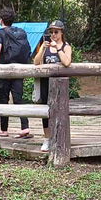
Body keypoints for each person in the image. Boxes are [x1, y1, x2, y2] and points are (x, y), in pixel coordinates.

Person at [0, 8, 32, 139]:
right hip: (19, 70)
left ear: (0, 20)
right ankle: (25, 127)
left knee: (3, 100)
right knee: (18, 99)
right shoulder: (20, 32)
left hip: (4, 71)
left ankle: (3, 129)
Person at [34, 20, 73, 152]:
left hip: (60, 85)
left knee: (60, 110)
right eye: (51, 32)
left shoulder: (66, 47)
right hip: (46, 83)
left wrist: (57, 48)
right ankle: (47, 138)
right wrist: (43, 48)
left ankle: (60, 138)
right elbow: (36, 62)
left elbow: (67, 62)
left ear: (62, 33)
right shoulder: (45, 47)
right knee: (46, 111)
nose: (53, 35)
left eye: (56, 32)